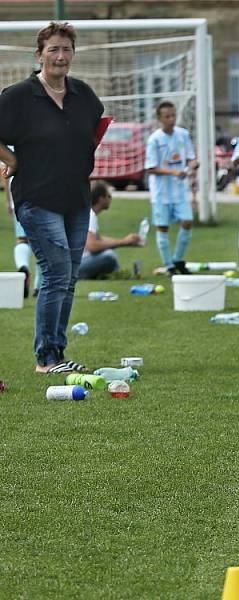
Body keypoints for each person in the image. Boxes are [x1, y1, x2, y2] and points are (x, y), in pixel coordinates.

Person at [0, 21, 104, 374]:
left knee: (69, 277)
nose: (61, 56)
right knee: (56, 272)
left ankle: (57, 351)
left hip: (77, 198)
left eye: (67, 49)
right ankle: (46, 359)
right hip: (35, 197)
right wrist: (11, 160)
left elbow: (93, 131)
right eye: (54, 49)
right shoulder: (18, 96)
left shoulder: (83, 94)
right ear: (39, 55)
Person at [144, 100, 198, 275]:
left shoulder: (183, 135)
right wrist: (173, 173)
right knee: (163, 227)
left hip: (179, 191)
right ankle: (169, 266)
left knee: (188, 222)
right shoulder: (154, 140)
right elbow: (151, 168)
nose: (171, 119)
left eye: (173, 115)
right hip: (161, 193)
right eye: (167, 116)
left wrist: (193, 163)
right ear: (159, 118)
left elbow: (190, 157)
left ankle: (178, 259)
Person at [77, 180, 141, 279]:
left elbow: (98, 239)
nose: (110, 199)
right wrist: (124, 242)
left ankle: (108, 274)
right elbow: (92, 246)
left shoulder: (86, 212)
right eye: (109, 196)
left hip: (75, 262)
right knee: (109, 256)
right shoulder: (90, 215)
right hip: (77, 265)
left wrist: (126, 241)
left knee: (109, 252)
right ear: (101, 199)